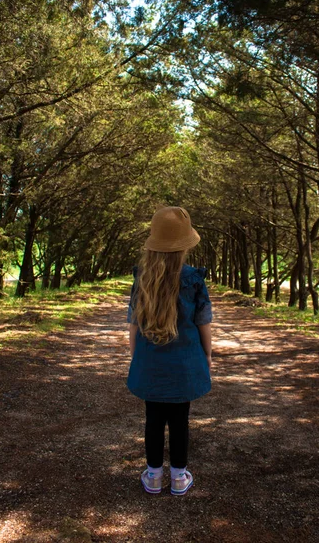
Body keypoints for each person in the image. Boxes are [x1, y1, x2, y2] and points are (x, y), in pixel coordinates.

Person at [127, 206, 213, 496]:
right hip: (184, 363)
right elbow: (203, 323)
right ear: (184, 246)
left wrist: (135, 355)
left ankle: (152, 476)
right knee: (180, 420)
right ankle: (178, 477)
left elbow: (134, 326)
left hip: (151, 363)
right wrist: (208, 354)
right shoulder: (193, 280)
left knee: (153, 418)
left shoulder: (143, 279)